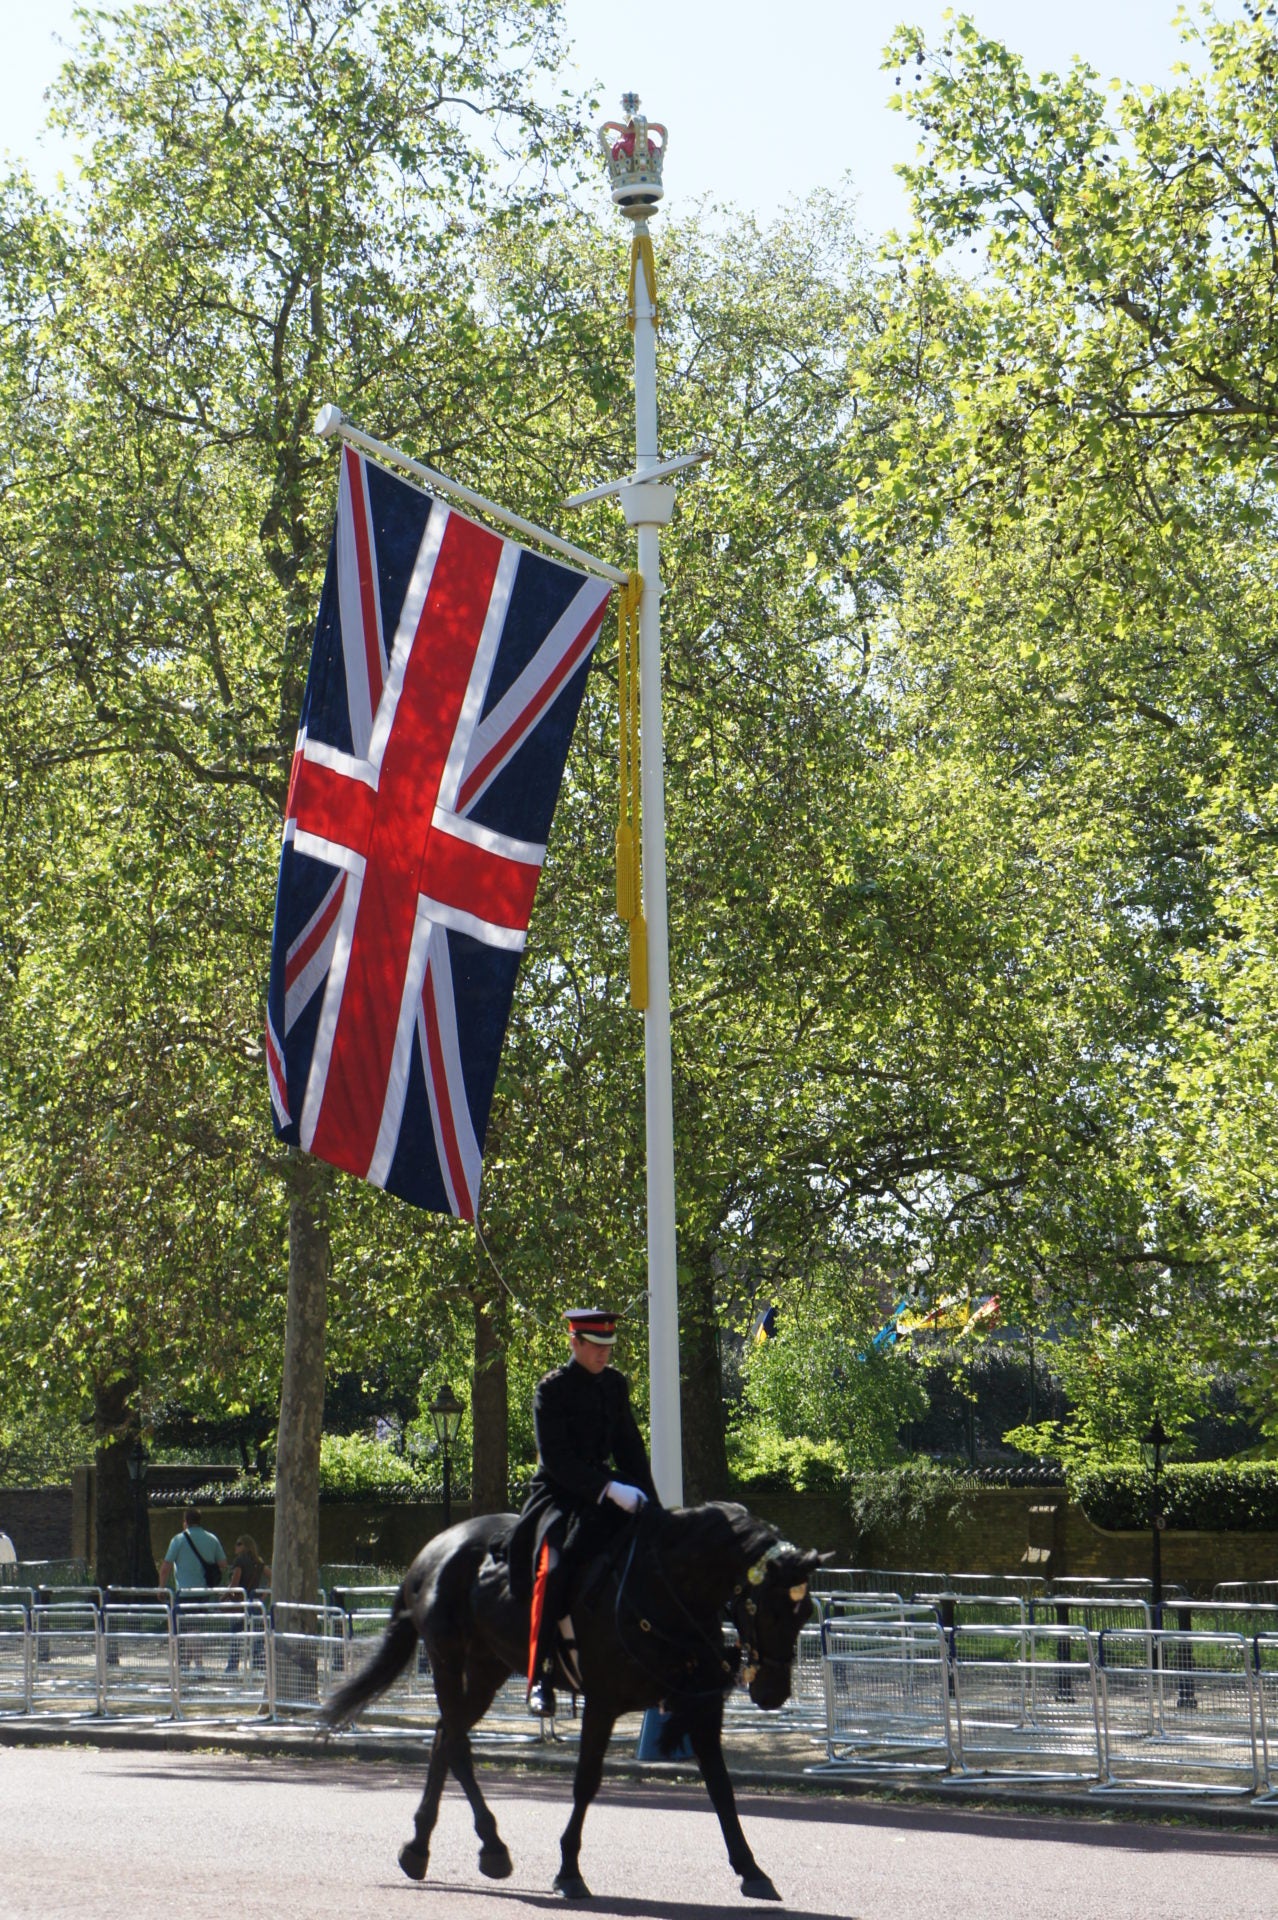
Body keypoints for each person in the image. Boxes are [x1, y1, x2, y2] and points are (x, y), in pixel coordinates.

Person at [513, 1307, 658, 1718]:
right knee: (554, 1570)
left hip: (608, 1492)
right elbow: (556, 1460)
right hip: (559, 1495)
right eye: (595, 1346)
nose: (604, 1354)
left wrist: (653, 1506)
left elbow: (630, 1449)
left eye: (608, 1346)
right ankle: (541, 1675)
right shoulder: (551, 1390)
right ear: (574, 1342)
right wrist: (607, 1489)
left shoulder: (615, 1385)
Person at [224, 1532, 270, 1673]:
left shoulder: (239, 1561)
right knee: (257, 1636)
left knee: (236, 1635)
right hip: (255, 1602)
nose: (236, 1547)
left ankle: (232, 1667)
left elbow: (235, 1584)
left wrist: (225, 1596)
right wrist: (263, 1595)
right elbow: (272, 1576)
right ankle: (259, 1665)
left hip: (241, 1603)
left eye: (239, 1544)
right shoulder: (259, 1562)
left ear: (245, 1546)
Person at [158, 1506, 228, 1593]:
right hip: (206, 1592)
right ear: (199, 1521)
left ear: (185, 1522)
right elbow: (223, 1564)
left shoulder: (178, 1540)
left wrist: (161, 1588)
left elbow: (165, 1569)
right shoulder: (212, 1539)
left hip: (184, 1592)